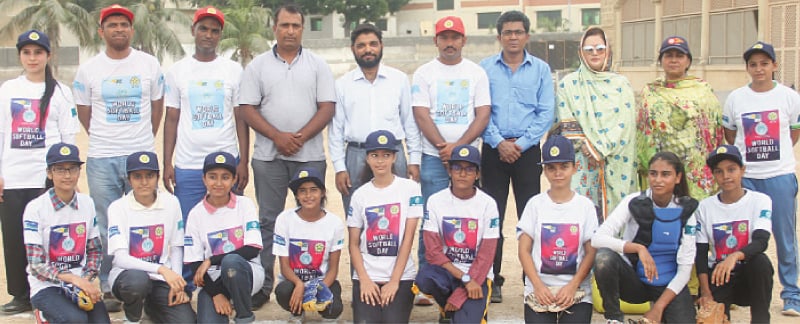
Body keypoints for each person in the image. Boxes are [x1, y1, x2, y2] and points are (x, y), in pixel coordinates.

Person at [238, 3, 335, 307]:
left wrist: (299, 137)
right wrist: (276, 137)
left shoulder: (318, 65)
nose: (290, 31)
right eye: (284, 25)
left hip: (309, 156)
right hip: (269, 157)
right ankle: (266, 285)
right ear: (274, 28)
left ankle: (312, 282)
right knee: (269, 219)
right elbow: (246, 109)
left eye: (295, 26)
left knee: (310, 218)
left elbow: (327, 107)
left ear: (302, 29)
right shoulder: (257, 66)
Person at [72, 4, 164, 310]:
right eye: (112, 25)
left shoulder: (149, 64)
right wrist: (105, 136)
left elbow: (156, 108)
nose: (119, 29)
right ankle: (111, 286)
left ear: (131, 29)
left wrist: (139, 140)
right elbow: (85, 112)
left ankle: (148, 282)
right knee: (105, 224)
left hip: (139, 155)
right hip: (102, 157)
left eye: (124, 24)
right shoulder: (89, 70)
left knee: (143, 220)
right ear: (102, 31)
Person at [412, 16, 491, 299]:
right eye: (444, 37)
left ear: (463, 40)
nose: (449, 43)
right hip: (433, 157)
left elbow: (483, 114)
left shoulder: (476, 72)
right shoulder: (424, 73)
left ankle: (468, 277)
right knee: (432, 219)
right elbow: (421, 113)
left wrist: (459, 149)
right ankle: (428, 281)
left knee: (464, 217)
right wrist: (443, 147)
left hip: (468, 158)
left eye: (454, 37)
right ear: (436, 41)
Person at [0, 29, 79, 314]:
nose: (32, 58)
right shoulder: (8, 89)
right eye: (27, 52)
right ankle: (19, 294)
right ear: (20, 55)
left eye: (38, 52)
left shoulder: (61, 91)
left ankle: (51, 289)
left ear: (48, 55)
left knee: (48, 237)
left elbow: (69, 136)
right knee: (13, 238)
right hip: (13, 177)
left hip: (46, 178)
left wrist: (68, 175)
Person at [479, 11, 553, 303]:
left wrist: (520, 144)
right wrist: (499, 142)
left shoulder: (541, 70)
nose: (513, 37)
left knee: (529, 216)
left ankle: (529, 278)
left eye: (518, 32)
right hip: (493, 151)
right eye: (507, 32)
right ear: (499, 37)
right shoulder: (484, 69)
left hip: (527, 151)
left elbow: (545, 112)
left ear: (527, 36)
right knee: (492, 216)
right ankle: (492, 278)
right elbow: (481, 111)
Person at [722, 41, 800, 316]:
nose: (759, 69)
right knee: (741, 237)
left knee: (784, 237)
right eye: (753, 64)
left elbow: (794, 131)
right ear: (748, 68)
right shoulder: (736, 98)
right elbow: (731, 135)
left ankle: (791, 294)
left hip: (779, 176)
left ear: (774, 66)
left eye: (764, 63)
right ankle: (734, 288)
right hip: (748, 178)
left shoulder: (790, 97)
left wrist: (775, 159)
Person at [163, 5, 248, 220]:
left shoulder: (234, 70)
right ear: (193, 30)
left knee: (229, 227)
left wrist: (243, 162)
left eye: (214, 31)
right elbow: (171, 119)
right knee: (190, 225)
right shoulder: (176, 72)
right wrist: (167, 163)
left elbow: (240, 119)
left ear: (220, 35)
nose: (208, 35)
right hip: (188, 164)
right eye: (203, 29)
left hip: (226, 161)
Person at [592, 151, 698, 323]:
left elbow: (685, 270)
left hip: (669, 284)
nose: (658, 180)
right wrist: (637, 248)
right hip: (635, 281)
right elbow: (598, 239)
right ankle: (614, 318)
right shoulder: (634, 201)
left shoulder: (687, 210)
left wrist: (658, 308)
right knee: (603, 258)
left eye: (666, 174)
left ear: (678, 177)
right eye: (653, 174)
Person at [329, 23, 421, 212]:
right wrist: (340, 168)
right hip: (356, 155)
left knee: (397, 212)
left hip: (393, 154)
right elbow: (335, 130)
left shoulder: (400, 80)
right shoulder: (342, 85)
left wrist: (414, 160)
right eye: (361, 45)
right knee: (357, 215)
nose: (367, 50)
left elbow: (410, 122)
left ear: (381, 46)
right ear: (352, 49)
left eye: (373, 44)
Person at [553, 26, 637, 219]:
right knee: (582, 218)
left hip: (617, 158)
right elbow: (566, 122)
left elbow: (626, 124)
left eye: (600, 48)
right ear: (581, 53)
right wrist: (588, 148)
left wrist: (601, 148)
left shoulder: (621, 84)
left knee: (617, 220)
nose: (595, 53)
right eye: (589, 49)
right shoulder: (569, 84)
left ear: (608, 50)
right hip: (582, 159)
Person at [23, 143, 110, 323]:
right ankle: (45, 315)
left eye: (72, 169)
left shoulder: (87, 203)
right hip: (47, 285)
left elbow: (94, 250)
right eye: (60, 170)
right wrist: (73, 280)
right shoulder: (35, 208)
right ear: (49, 173)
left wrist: (85, 279)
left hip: (80, 281)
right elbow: (36, 264)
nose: (67, 175)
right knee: (76, 320)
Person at [517, 135, 598, 323]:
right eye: (551, 168)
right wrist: (538, 286)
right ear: (544, 170)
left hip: (576, 293)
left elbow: (590, 252)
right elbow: (524, 250)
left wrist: (573, 286)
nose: (558, 173)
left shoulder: (585, 206)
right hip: (539, 291)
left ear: (574, 167)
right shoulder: (534, 204)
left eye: (564, 167)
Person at [106, 151, 195, 323]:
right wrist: (161, 269)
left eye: (149, 176)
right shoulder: (118, 207)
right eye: (138, 176)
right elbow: (121, 258)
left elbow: (176, 246)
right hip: (128, 277)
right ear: (129, 179)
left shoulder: (171, 202)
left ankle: (152, 309)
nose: (144, 182)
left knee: (186, 321)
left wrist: (175, 282)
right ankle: (133, 315)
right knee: (137, 282)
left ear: (157, 177)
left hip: (162, 279)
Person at [416, 144, 499, 323]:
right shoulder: (436, 201)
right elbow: (432, 252)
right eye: (457, 168)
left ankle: (458, 310)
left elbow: (486, 254)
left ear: (477, 174)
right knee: (425, 278)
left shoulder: (488, 204)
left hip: (478, 276)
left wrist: (464, 290)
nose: (462, 174)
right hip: (449, 273)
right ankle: (447, 306)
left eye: (469, 169)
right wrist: (464, 279)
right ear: (449, 171)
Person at [347, 130, 422, 323]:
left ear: (395, 157)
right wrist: (364, 280)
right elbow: (354, 244)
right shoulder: (360, 195)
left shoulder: (410, 189)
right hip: (367, 275)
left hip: (400, 276)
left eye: (386, 155)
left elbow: (408, 239)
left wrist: (394, 281)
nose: (380, 161)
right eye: (375, 155)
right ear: (367, 158)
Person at [637, 36, 723, 201]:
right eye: (669, 56)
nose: (674, 60)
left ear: (688, 61)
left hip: (695, 171)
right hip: (662, 170)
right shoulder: (650, 92)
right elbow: (642, 133)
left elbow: (715, 131)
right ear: (661, 60)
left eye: (679, 56)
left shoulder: (703, 91)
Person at [695, 145, 773, 322]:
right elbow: (700, 254)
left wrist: (735, 256)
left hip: (749, 274)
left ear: (742, 170)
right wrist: (706, 293)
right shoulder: (704, 207)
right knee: (714, 318)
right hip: (720, 276)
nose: (726, 176)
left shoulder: (759, 200)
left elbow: (762, 241)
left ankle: (761, 319)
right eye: (719, 172)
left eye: (731, 169)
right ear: (714, 175)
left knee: (761, 262)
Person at [184, 152, 265, 323]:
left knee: (231, 263)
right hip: (213, 281)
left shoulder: (245, 205)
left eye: (225, 177)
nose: (219, 183)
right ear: (204, 179)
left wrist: (211, 260)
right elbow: (195, 263)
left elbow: (252, 248)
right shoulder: (196, 214)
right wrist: (216, 294)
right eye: (212, 177)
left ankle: (244, 316)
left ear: (234, 179)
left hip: (246, 274)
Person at [273, 167, 345, 320]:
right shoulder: (284, 219)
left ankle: (328, 315)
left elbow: (333, 268)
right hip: (293, 281)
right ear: (297, 195)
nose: (308, 196)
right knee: (284, 291)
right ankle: (297, 313)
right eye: (302, 191)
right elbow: (284, 266)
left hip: (322, 281)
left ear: (322, 192)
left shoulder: (334, 223)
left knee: (334, 306)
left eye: (313, 190)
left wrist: (317, 289)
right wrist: (299, 285)